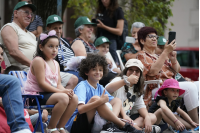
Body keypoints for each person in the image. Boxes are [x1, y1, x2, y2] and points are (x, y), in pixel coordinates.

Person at [65, 53, 144, 133]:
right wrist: (100, 101)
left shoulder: (100, 87)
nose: (98, 72)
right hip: (76, 125)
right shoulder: (82, 86)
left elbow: (117, 102)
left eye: (100, 70)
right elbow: (81, 110)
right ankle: (122, 125)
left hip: (92, 122)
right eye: (94, 69)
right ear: (86, 72)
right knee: (96, 99)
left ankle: (110, 125)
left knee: (116, 100)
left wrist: (124, 115)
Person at [136, 27, 199, 123]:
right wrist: (165, 52)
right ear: (142, 40)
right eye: (150, 36)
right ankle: (196, 123)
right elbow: (153, 72)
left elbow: (176, 71)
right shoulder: (141, 55)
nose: (154, 39)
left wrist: (173, 59)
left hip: (171, 85)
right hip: (157, 88)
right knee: (190, 87)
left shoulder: (158, 56)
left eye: (155, 36)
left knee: (198, 85)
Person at [23, 30, 78, 133]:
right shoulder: (39, 61)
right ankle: (51, 128)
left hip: (47, 94)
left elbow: (58, 84)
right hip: (33, 96)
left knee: (74, 98)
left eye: (57, 47)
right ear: (41, 47)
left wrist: (66, 91)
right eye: (50, 46)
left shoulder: (55, 63)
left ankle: (61, 127)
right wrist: (62, 92)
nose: (54, 50)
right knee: (63, 98)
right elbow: (42, 84)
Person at [106, 59, 161, 133]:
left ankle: (129, 128)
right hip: (114, 115)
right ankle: (137, 130)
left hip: (128, 118)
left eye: (137, 71)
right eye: (130, 69)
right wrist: (126, 80)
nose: (133, 73)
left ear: (140, 74)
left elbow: (140, 106)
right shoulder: (118, 80)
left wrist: (147, 117)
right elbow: (107, 89)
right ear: (125, 71)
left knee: (152, 117)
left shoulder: (137, 87)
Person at [0, 1, 37, 72]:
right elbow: (14, 52)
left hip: (35, 69)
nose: (29, 16)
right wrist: (34, 65)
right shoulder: (9, 27)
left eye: (31, 14)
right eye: (26, 12)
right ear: (16, 13)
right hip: (21, 71)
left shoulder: (31, 35)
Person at [46, 14, 78, 88]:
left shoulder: (65, 41)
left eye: (60, 28)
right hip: (61, 71)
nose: (58, 31)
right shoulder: (46, 42)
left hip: (73, 70)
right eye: (55, 28)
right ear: (48, 28)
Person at [96, 0, 124, 66]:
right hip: (99, 40)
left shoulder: (118, 11)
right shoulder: (101, 10)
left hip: (111, 41)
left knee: (113, 64)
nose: (103, 1)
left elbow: (119, 31)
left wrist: (104, 26)